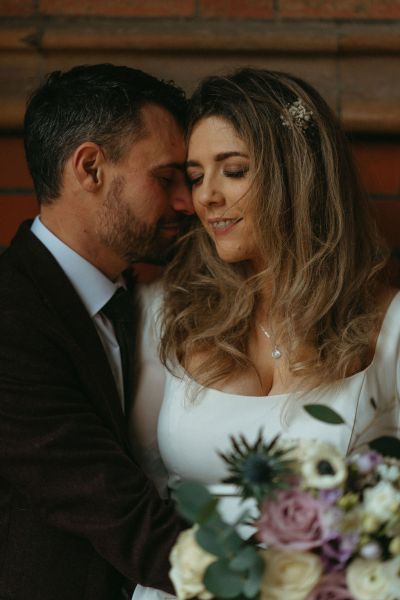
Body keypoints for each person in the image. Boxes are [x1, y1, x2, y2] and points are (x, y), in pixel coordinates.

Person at [131, 68, 400, 599]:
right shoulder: (168, 311)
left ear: (297, 175)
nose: (206, 195)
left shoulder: (389, 326)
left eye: (232, 170)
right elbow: (137, 481)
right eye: (195, 174)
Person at [0, 64, 194, 600]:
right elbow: (109, 502)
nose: (188, 202)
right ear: (90, 168)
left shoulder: (137, 301)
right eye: (165, 177)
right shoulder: (10, 316)